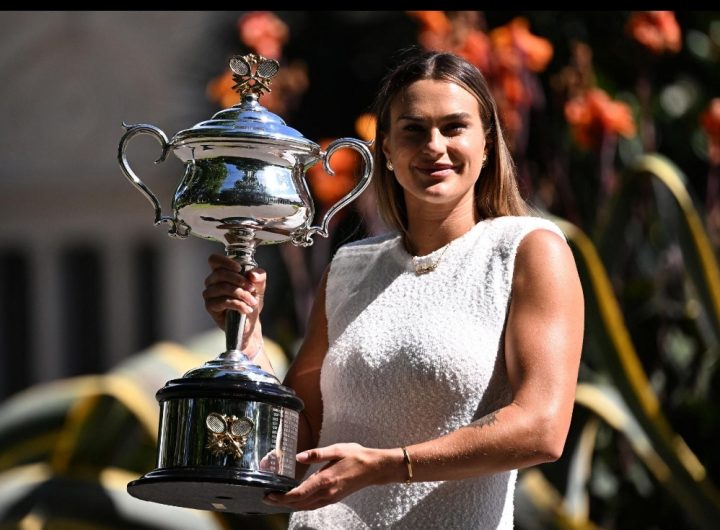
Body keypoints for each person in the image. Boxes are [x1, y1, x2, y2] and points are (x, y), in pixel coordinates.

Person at [202, 48, 585, 529]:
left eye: (454, 127)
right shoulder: (349, 268)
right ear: (385, 149)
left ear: (488, 142)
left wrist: (387, 466)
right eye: (413, 130)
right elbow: (295, 447)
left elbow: (542, 428)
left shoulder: (527, 250)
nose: (434, 146)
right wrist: (249, 338)